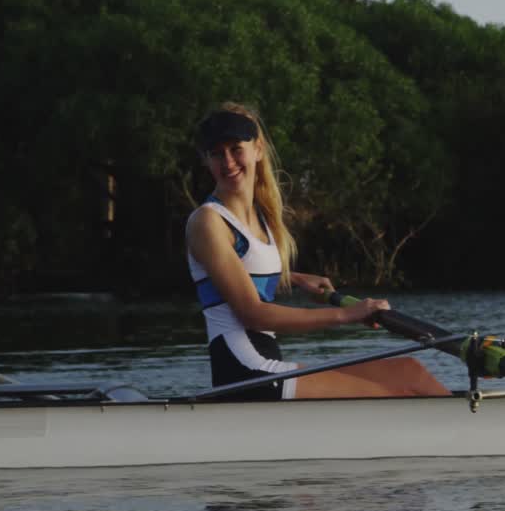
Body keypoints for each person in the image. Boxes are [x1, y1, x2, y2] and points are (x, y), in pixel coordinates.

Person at [185, 103, 449, 399]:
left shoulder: (261, 217)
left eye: (236, 149)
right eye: (217, 153)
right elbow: (252, 313)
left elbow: (242, 273)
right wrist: (348, 314)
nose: (228, 161)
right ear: (206, 160)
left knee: (410, 372)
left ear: (258, 149)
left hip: (265, 367)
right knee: (396, 392)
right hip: (246, 376)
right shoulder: (208, 221)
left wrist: (294, 278)